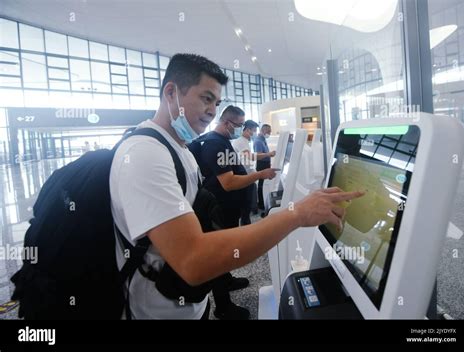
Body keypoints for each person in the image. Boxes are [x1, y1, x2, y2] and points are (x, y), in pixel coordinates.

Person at [109, 53, 364, 320]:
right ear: (171, 92)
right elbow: (193, 259)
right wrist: (297, 214)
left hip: (189, 304)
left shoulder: (180, 149)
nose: (212, 111)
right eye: (206, 99)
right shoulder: (144, 154)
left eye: (216, 103)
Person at [195, 106, 276, 319]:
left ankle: (227, 280)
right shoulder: (215, 144)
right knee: (220, 254)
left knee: (227, 249)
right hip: (219, 209)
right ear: (227, 123)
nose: (241, 130)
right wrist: (259, 174)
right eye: (239, 126)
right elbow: (229, 182)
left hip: (227, 208)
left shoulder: (220, 141)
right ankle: (223, 306)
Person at [232, 119, 260, 225]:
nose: (254, 133)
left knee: (247, 206)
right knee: (246, 206)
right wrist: (267, 155)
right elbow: (250, 157)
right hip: (245, 177)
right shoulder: (241, 141)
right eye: (254, 130)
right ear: (248, 130)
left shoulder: (245, 141)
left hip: (248, 176)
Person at [254, 124, 276, 214]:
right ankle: (261, 204)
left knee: (264, 184)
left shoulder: (263, 140)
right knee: (262, 185)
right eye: (268, 132)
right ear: (263, 131)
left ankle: (264, 201)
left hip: (265, 163)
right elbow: (258, 155)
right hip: (261, 164)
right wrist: (269, 154)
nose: (269, 133)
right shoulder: (258, 141)